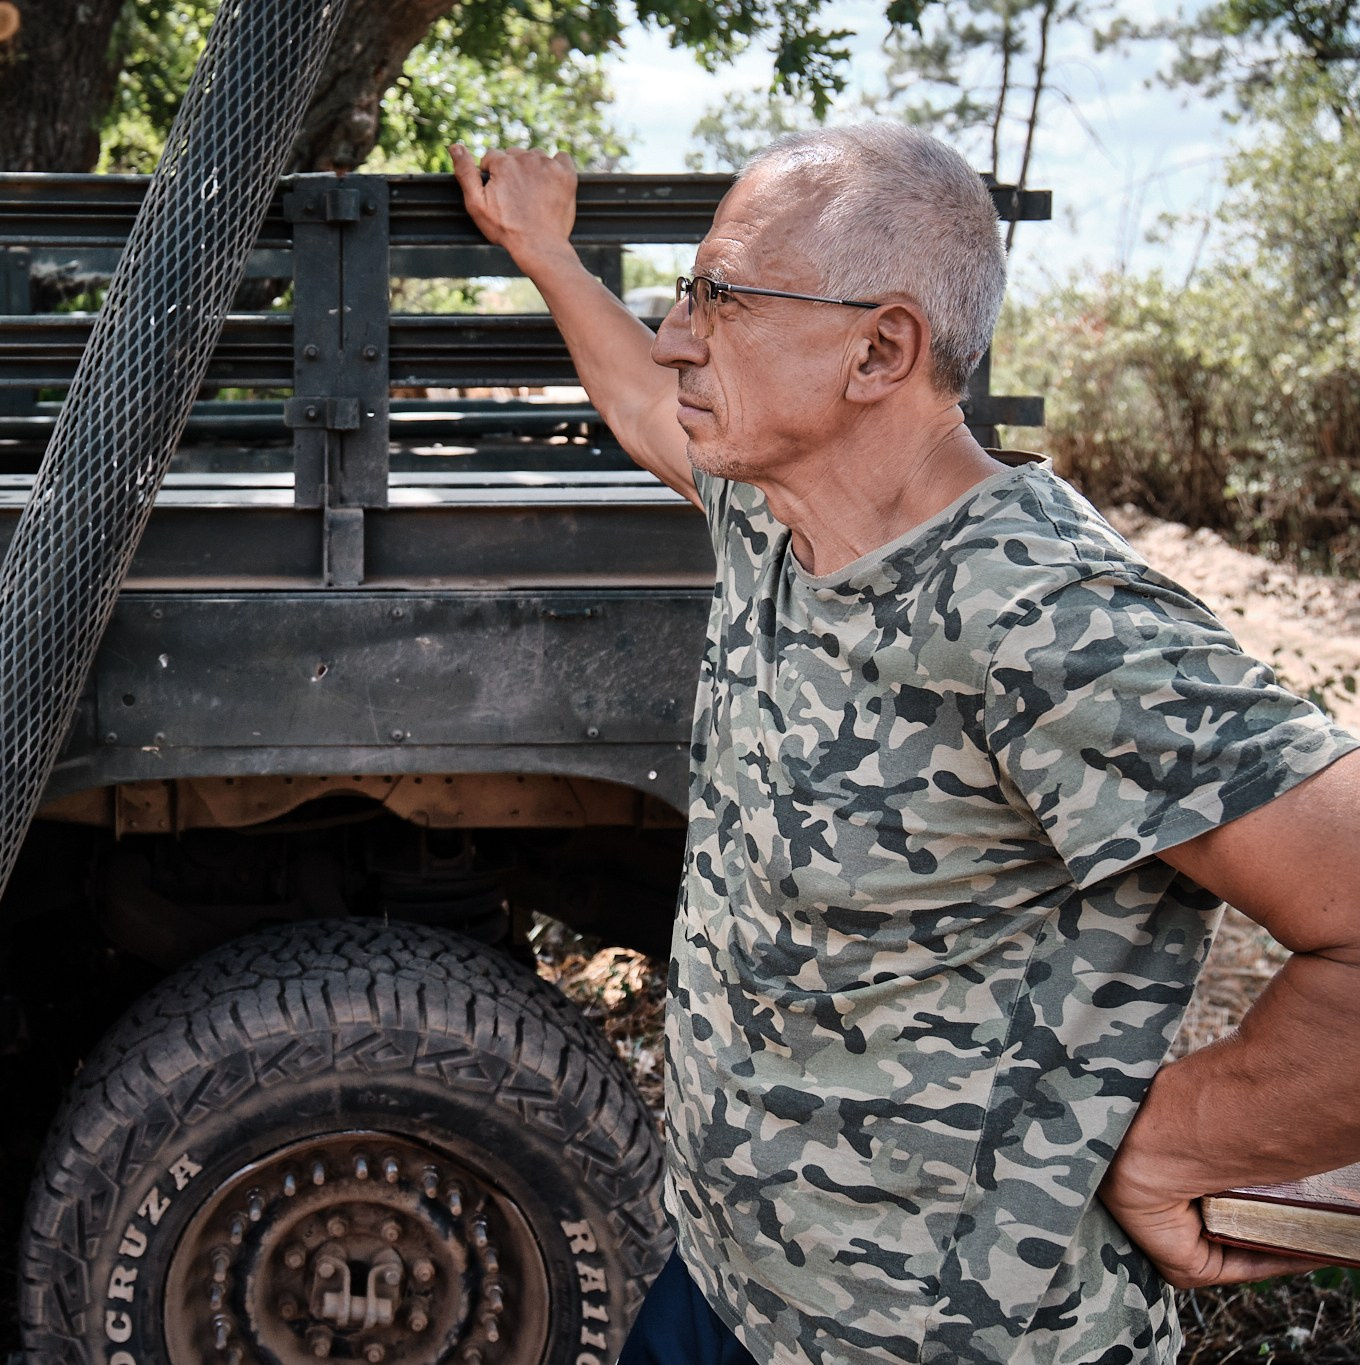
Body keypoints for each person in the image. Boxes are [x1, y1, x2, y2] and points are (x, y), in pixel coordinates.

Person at [450, 123, 1360, 1365]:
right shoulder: (775, 508)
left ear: (879, 348)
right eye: (684, 292)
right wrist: (546, 251)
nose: (678, 332)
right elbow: (636, 398)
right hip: (728, 1284)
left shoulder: (1050, 620)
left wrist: (1181, 1146)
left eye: (720, 296)